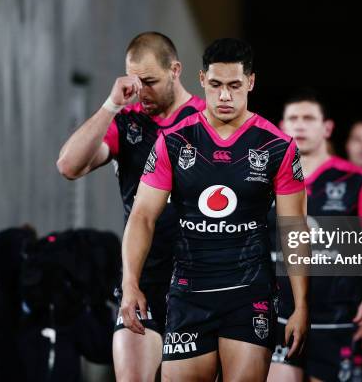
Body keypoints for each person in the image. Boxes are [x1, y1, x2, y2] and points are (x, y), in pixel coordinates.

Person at [119, 38, 309, 381]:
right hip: (189, 294)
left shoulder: (278, 146)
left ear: (250, 82)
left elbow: (293, 229)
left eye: (235, 86)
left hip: (250, 296)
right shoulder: (174, 141)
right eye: (217, 85)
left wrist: (300, 304)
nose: (225, 96)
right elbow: (142, 216)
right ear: (202, 79)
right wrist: (130, 282)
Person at [56, 31, 205, 381]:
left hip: (200, 279)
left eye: (150, 81)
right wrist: (111, 105)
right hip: (143, 279)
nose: (142, 91)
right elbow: (68, 166)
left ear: (175, 70)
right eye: (136, 82)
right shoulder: (127, 122)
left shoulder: (207, 119)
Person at [268, 90, 362, 382]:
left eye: (308, 118)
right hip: (281, 318)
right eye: (293, 119)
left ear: (327, 127)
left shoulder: (356, 180)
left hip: (339, 321)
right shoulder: (265, 178)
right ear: (282, 126)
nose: (299, 125)